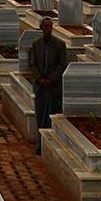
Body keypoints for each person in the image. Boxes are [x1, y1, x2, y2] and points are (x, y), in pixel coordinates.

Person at [27, 12, 68, 150]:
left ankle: (53, 145)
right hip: (41, 87)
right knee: (41, 116)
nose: (49, 29)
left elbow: (62, 65)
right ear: (41, 28)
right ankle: (41, 144)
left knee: (54, 115)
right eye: (46, 26)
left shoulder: (60, 45)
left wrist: (51, 79)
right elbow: (32, 64)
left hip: (54, 87)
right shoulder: (36, 45)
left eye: (51, 26)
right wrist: (40, 79)